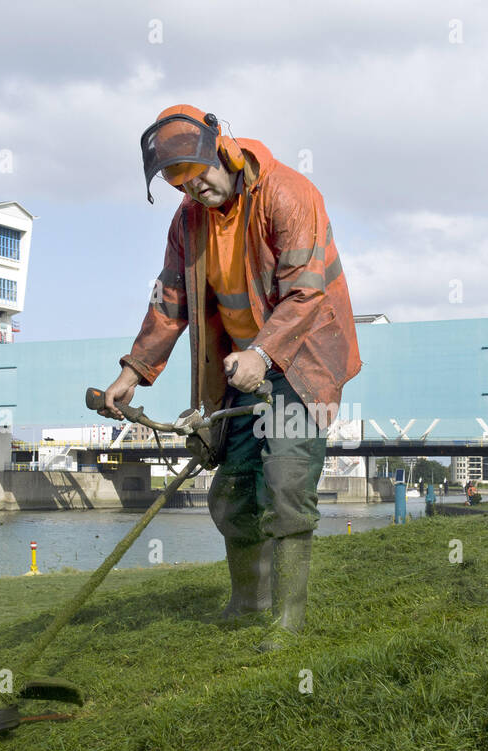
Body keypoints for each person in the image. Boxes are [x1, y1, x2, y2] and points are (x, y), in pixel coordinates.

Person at [98, 105, 361, 649]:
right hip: (243, 370)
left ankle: (288, 621)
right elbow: (169, 300)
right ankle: (247, 603)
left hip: (302, 361)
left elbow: (306, 292)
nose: (197, 192)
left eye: (201, 177)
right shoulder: (188, 223)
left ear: (223, 148)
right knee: (233, 492)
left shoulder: (289, 193)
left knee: (286, 487)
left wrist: (263, 354)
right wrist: (132, 370)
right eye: (182, 187)